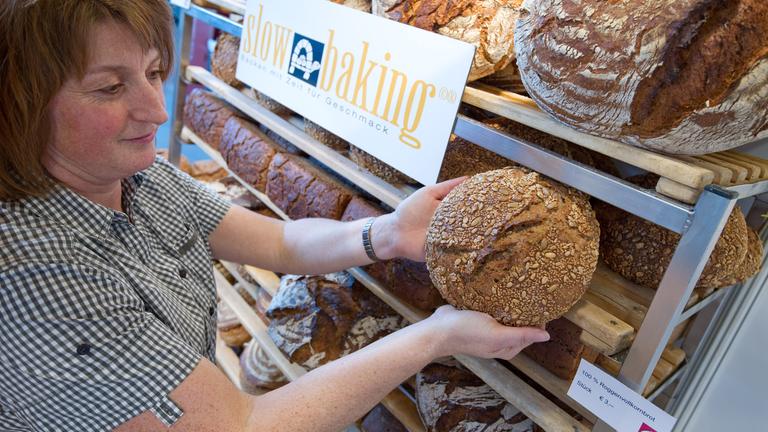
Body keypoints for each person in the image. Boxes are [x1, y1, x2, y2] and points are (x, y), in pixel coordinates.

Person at [0, 1, 550, 431]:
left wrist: (385, 233)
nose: (158, 109)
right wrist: (434, 337)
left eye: (152, 72)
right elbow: (242, 424)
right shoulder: (35, 273)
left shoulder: (140, 181)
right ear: (18, 103)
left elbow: (281, 244)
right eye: (110, 88)